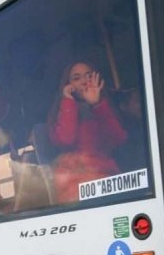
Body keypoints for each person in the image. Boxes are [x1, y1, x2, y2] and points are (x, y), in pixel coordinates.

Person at [47, 61, 127, 203]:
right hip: (74, 186)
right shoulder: (61, 111)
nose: (84, 81)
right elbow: (65, 140)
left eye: (88, 76)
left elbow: (117, 139)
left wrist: (97, 104)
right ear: (68, 85)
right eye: (76, 78)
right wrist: (68, 101)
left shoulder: (105, 106)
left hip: (107, 181)